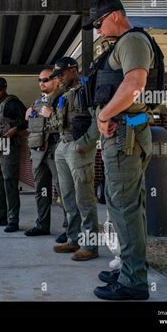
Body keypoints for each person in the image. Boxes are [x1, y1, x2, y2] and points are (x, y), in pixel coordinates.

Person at [84, 0, 157, 300]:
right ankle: (131, 268)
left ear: (115, 15)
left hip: (124, 134)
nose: (98, 31)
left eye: (99, 23)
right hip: (123, 133)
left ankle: (133, 282)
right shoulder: (122, 44)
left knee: (123, 207)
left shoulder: (132, 40)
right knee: (128, 207)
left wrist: (103, 115)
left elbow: (135, 84)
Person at [44, 57, 99, 261]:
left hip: (79, 147)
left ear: (74, 69)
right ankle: (74, 238)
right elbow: (59, 122)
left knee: (84, 198)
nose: (59, 78)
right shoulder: (64, 95)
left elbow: (98, 118)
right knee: (67, 196)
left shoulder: (87, 88)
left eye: (62, 73)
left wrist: (85, 143)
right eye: (57, 75)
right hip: (62, 145)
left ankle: (91, 245)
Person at [24, 69, 68, 238]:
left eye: (46, 79)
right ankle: (42, 225)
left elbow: (69, 123)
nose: (41, 83)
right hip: (38, 151)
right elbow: (34, 125)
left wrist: (52, 115)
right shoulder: (37, 101)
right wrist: (28, 116)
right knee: (41, 190)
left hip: (56, 150)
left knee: (63, 190)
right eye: (39, 80)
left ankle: (69, 228)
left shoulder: (64, 97)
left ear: (56, 80)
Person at [0, 77, 27, 233]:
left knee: (9, 183)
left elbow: (26, 120)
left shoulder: (13, 102)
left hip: (9, 148)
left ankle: (13, 220)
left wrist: (15, 130)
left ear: (4, 88)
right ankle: (1, 216)